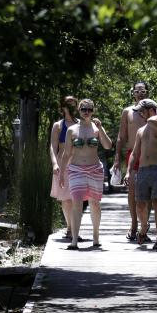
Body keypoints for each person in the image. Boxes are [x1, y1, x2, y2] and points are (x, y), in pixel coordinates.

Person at [59, 99, 113, 250]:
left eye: (89, 109)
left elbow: (108, 146)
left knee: (95, 203)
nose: (86, 112)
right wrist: (62, 173)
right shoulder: (72, 130)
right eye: (84, 109)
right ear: (79, 110)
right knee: (77, 203)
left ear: (93, 111)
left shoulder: (96, 128)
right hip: (76, 169)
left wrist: (101, 128)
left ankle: (96, 237)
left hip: (95, 169)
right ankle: (74, 240)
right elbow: (66, 153)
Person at [132, 98, 157, 250]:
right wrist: (130, 172)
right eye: (139, 112)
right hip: (142, 170)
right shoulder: (140, 131)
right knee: (140, 204)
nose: (140, 114)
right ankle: (143, 227)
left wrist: (154, 116)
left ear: (151, 110)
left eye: (142, 111)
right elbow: (135, 153)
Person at [114, 81, 149, 241]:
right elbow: (121, 137)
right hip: (131, 154)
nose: (140, 93)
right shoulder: (127, 111)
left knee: (147, 193)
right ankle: (134, 225)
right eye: (137, 91)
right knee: (133, 191)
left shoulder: (154, 110)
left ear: (147, 92)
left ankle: (144, 228)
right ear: (133, 93)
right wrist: (117, 159)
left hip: (150, 155)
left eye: (143, 91)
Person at [49, 95, 78, 239]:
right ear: (63, 107)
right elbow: (53, 147)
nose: (71, 106)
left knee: (76, 197)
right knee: (66, 198)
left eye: (74, 104)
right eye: (68, 104)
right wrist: (54, 163)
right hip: (63, 162)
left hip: (79, 161)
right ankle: (70, 228)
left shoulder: (82, 123)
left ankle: (74, 228)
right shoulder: (58, 125)